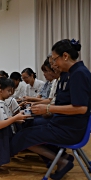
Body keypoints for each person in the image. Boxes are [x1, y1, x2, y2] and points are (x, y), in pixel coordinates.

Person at [11, 39, 91, 179]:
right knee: (27, 129)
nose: (54, 64)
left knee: (23, 135)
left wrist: (48, 108)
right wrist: (46, 109)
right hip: (64, 124)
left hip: (69, 129)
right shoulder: (73, 73)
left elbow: (81, 109)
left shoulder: (78, 74)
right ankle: (60, 159)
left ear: (65, 56)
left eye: (55, 59)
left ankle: (61, 160)